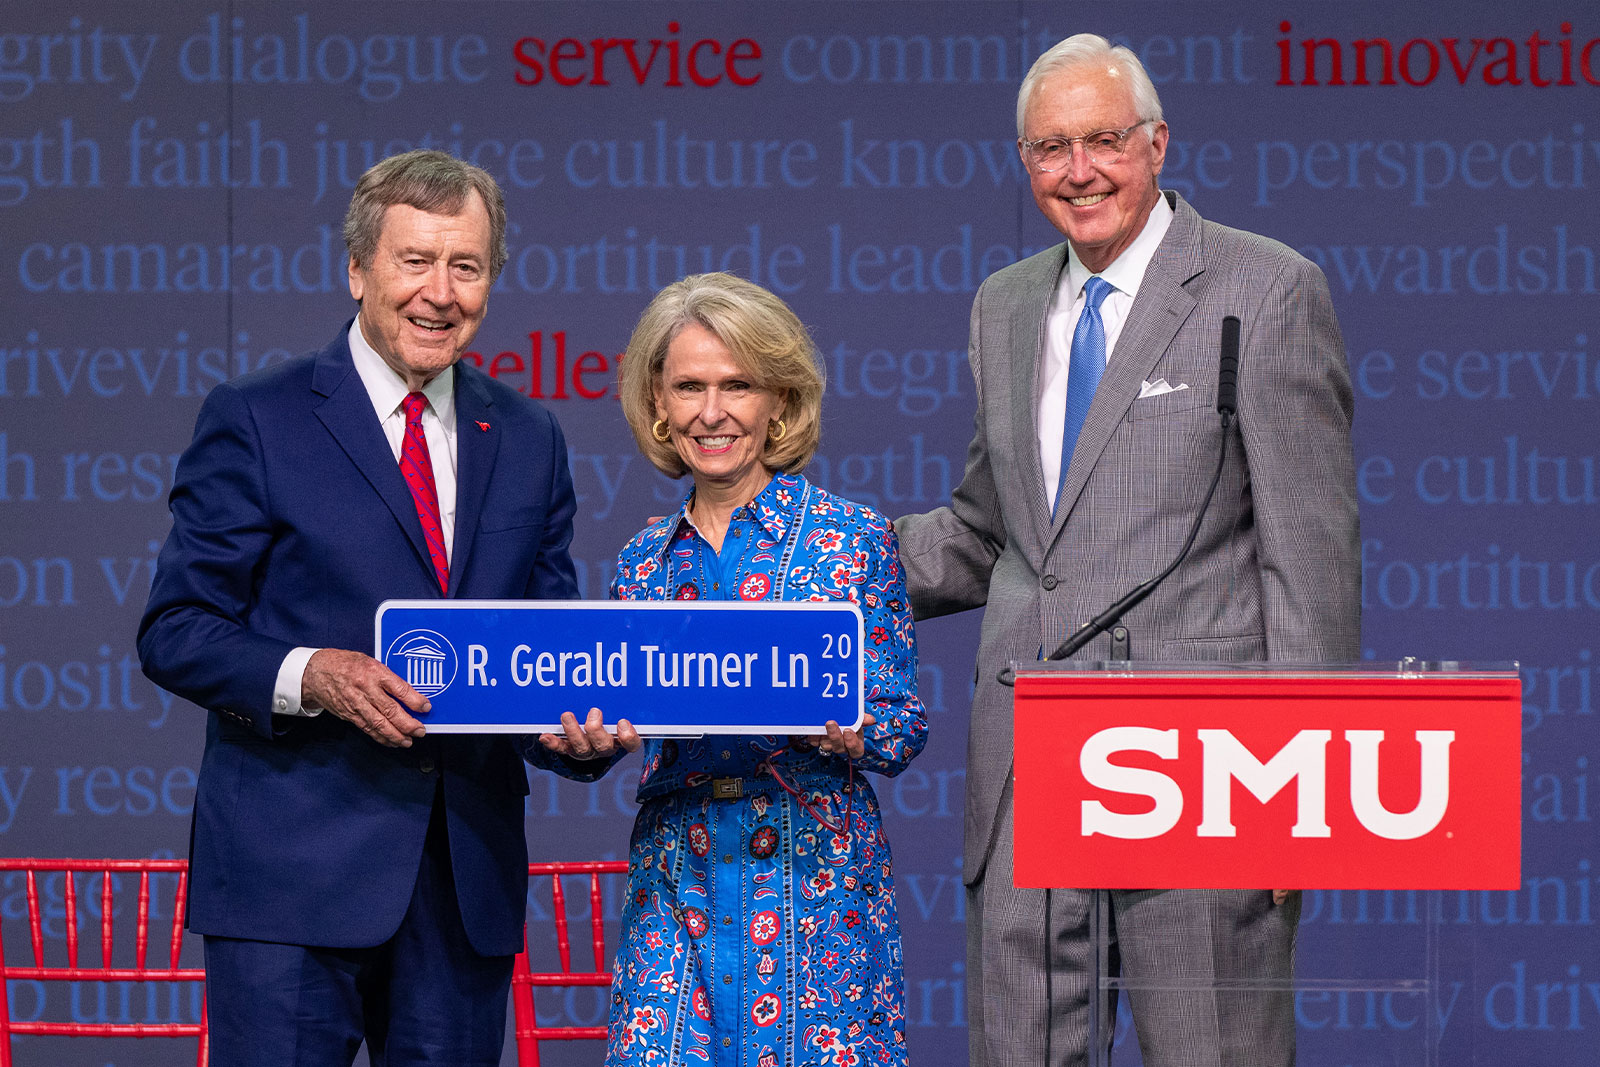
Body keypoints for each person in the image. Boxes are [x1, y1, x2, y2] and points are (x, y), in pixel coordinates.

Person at [894, 34, 1360, 1067]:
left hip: (1207, 774)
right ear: (1025, 162)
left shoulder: (1266, 289)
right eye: (1050, 148)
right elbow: (991, 531)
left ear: (1157, 143)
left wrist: (1301, 798)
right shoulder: (1006, 305)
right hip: (1028, 769)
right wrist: (812, 557)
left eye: (1103, 140)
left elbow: (1308, 558)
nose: (1079, 171)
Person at [137, 149, 635, 1066]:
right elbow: (176, 630)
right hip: (289, 884)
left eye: (466, 266)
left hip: (462, 888)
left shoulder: (528, 435)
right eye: (416, 261)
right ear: (358, 269)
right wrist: (312, 674)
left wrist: (575, 732)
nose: (439, 293)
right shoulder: (257, 417)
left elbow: (540, 646)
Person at [602, 272, 927, 1067]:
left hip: (814, 881)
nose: (711, 412)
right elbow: (614, 713)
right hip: (676, 877)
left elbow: (901, 722)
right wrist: (588, 740)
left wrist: (851, 728)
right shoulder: (640, 563)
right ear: (658, 402)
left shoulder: (851, 538)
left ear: (779, 400)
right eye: (689, 387)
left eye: (737, 385)